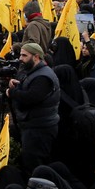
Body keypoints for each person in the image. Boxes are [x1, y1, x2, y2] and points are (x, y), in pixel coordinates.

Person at [8, 42, 61, 174]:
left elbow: (31, 97)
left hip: (39, 128)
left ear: (36, 57)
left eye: (24, 55)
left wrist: (12, 92)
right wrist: (18, 85)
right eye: (20, 55)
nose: (20, 58)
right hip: (33, 124)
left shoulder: (43, 76)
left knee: (34, 164)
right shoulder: (35, 72)